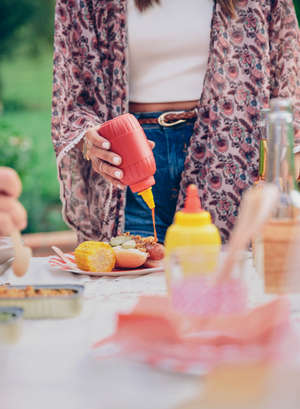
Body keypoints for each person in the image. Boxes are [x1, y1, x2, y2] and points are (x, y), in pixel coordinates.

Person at [52, 0, 300, 244]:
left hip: (228, 161)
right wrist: (91, 138)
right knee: (134, 271)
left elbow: (288, 69)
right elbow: (72, 89)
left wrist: (290, 155)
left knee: (222, 275)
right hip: (131, 156)